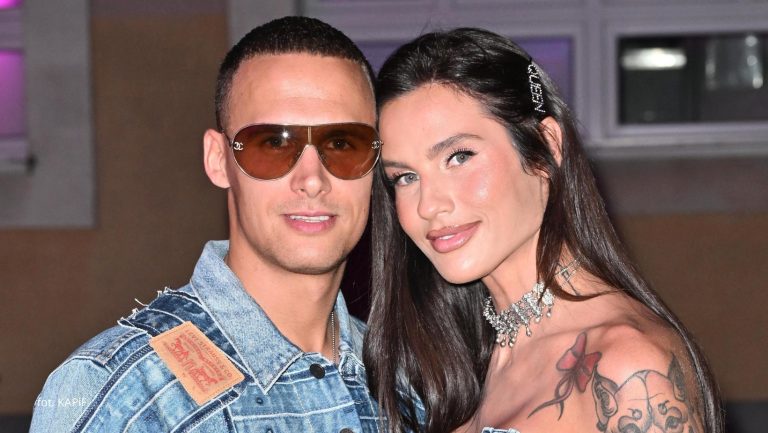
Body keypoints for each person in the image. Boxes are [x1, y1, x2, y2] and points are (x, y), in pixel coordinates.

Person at [30, 16, 383, 433]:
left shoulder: (406, 381)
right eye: (273, 143)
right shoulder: (116, 392)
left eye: (343, 144)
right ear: (218, 160)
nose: (312, 180)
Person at [364, 28, 723, 433]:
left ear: (546, 146)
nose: (428, 205)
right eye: (405, 177)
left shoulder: (628, 365)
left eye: (459, 157)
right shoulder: (451, 363)